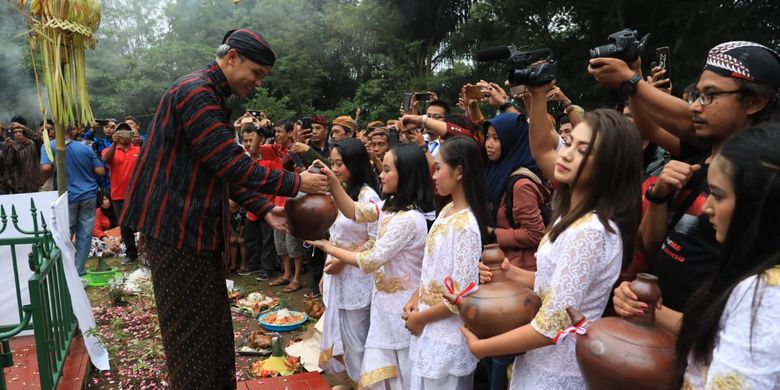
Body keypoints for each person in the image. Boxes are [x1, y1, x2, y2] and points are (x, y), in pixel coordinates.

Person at [119, 29, 328, 388]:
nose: (258, 84)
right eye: (257, 74)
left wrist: (263, 208)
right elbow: (230, 164)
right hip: (177, 231)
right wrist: (297, 184)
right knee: (191, 335)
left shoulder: (211, 95)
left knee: (213, 329)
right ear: (232, 58)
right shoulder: (196, 93)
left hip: (193, 234)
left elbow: (217, 171)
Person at [463, 91, 643, 389]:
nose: (566, 153)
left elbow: (553, 324)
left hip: (559, 369)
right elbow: (552, 285)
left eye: (584, 150)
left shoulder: (591, 230)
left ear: (611, 165)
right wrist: (509, 272)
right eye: (570, 143)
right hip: (540, 362)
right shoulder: (571, 216)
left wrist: (481, 347)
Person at [593, 41, 780, 313]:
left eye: (710, 96)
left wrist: (633, 81)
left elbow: (723, 321)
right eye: (697, 96)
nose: (694, 108)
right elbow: (652, 245)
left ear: (754, 102)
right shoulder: (695, 159)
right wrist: (659, 198)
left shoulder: (760, 181)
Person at [614, 123, 780, 388]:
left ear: (760, 202)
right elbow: (711, 331)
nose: (707, 209)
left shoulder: (765, 294)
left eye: (718, 195)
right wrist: (642, 305)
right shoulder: (752, 275)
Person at [307, 143, 433, 389]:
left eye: (386, 170)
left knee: (402, 372)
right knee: (382, 370)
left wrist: (327, 247)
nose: (381, 175)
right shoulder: (390, 208)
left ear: (405, 173)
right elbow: (354, 211)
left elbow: (370, 259)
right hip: (384, 304)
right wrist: (333, 181)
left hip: (402, 308)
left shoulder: (409, 219)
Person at [404, 136, 489, 389]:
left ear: (459, 171)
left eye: (439, 167)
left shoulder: (466, 226)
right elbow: (432, 269)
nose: (434, 175)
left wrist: (421, 318)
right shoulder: (446, 211)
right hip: (427, 325)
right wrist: (414, 300)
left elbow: (461, 295)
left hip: (447, 336)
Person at [317, 138, 381, 385]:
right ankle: (353, 379)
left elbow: (376, 240)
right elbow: (333, 236)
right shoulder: (339, 190)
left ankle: (365, 382)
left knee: (357, 338)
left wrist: (343, 262)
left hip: (357, 277)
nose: (334, 169)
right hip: (336, 272)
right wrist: (326, 272)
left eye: (340, 164)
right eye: (332, 163)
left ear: (354, 164)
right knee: (342, 335)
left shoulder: (368, 196)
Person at [41, 126, 106, 275]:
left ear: (55, 131)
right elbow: (100, 171)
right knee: (85, 234)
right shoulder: (86, 148)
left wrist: (43, 182)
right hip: (89, 195)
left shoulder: (49, 146)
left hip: (66, 197)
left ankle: (63, 269)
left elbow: (45, 168)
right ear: (72, 131)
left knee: (63, 233)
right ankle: (78, 270)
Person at [102, 124, 141, 265]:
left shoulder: (137, 148)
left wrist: (141, 143)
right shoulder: (110, 149)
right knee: (125, 226)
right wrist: (114, 143)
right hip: (119, 194)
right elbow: (105, 160)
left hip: (138, 193)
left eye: (127, 132)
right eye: (121, 132)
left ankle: (147, 250)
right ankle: (131, 254)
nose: (124, 135)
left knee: (143, 222)